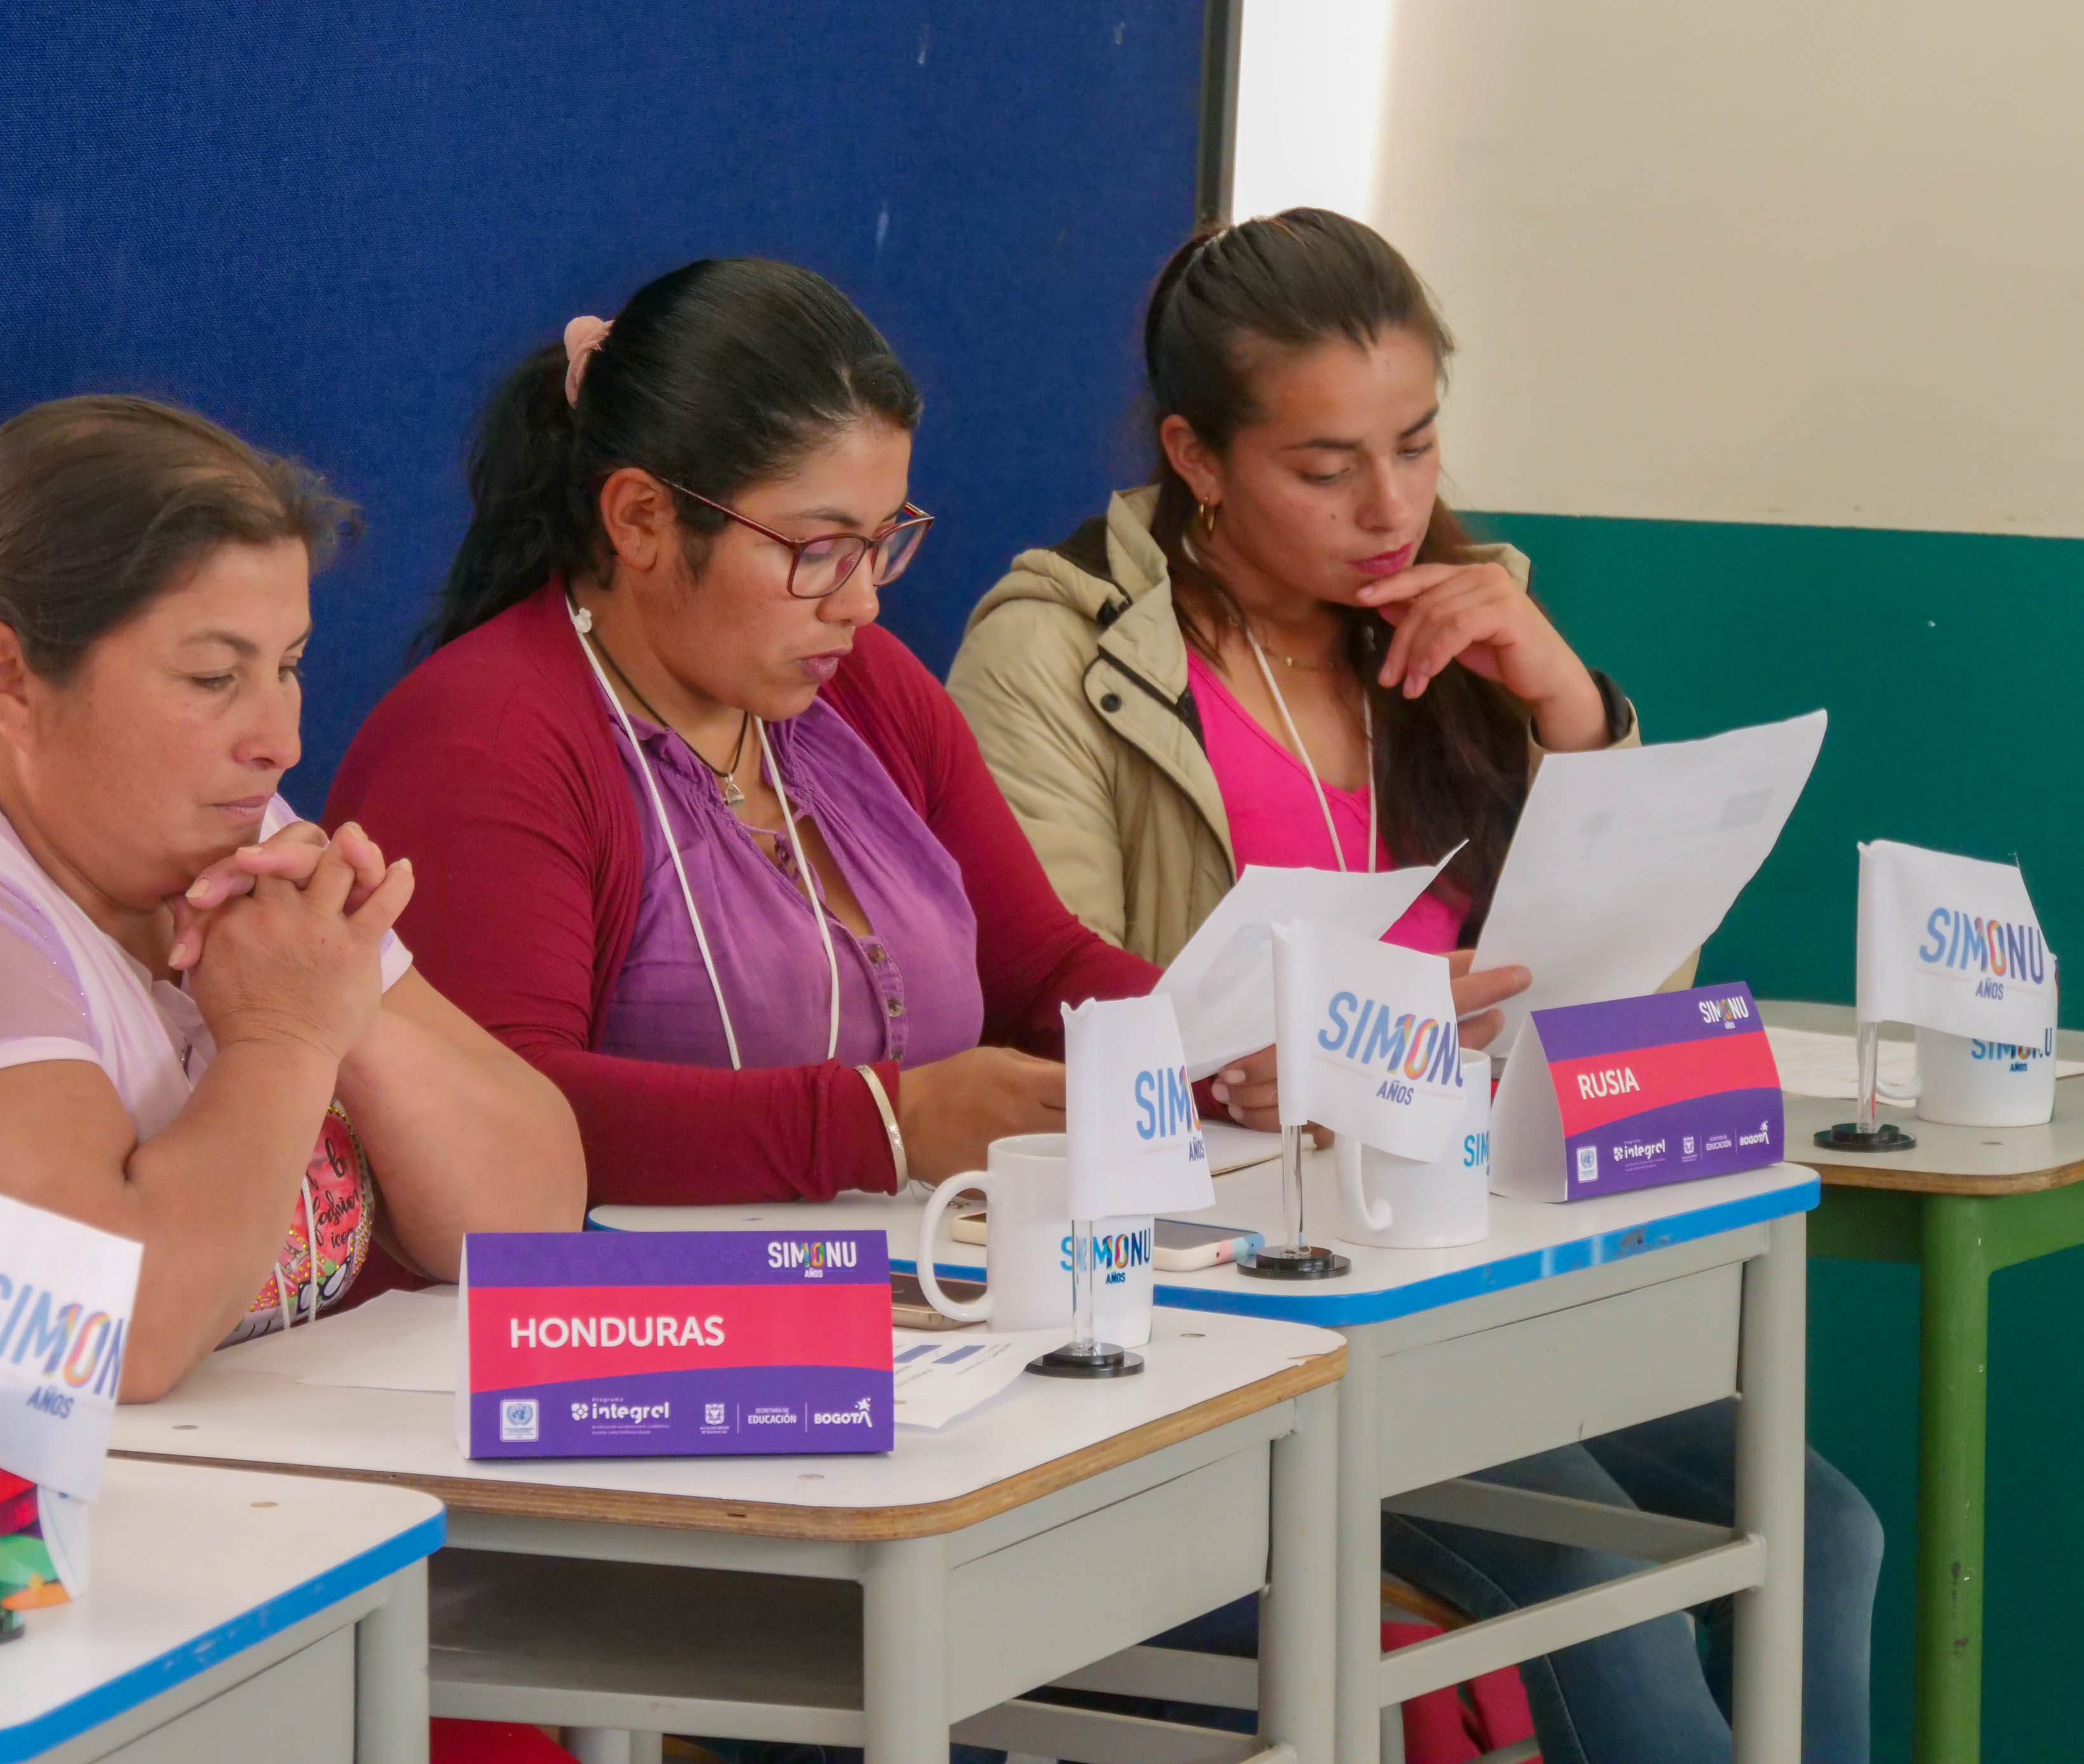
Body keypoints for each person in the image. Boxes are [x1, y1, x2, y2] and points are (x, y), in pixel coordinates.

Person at [950, 208, 1877, 1763]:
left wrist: (1572, 710)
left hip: (1472, 1259)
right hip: (1253, 1292)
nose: (1389, 507)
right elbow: (1057, 1008)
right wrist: (1305, 1037)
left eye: (1417, 445)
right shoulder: (1057, 653)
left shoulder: (1466, 622)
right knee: (1602, 1591)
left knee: (1821, 1528)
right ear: (1193, 455)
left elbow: (1625, 997)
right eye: (1323, 469)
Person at [323, 257, 1293, 1205]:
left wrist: (1215, 1054)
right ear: (642, 519)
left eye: (883, 542)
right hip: (618, 1345)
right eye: (820, 549)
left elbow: (1041, 969)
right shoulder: (485, 743)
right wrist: (884, 1124)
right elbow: (491, 1128)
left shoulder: (861, 686)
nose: (863, 602)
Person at [0, 395, 585, 1395]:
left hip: (210, 1515)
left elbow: (531, 1213)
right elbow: (102, 1339)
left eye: (289, 666)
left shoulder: (231, 828)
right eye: (215, 678)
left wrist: (343, 1008)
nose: (282, 738)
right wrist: (284, 1040)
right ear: (8, 679)